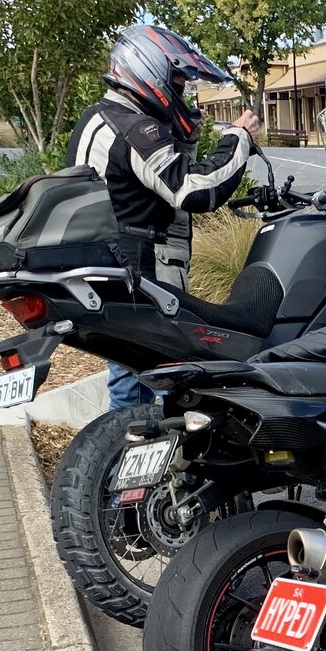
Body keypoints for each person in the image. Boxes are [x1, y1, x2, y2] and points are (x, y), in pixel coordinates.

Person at [70, 25, 260, 410]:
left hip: (109, 262)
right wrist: (238, 138)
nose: (183, 91)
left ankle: (122, 442)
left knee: (129, 378)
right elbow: (194, 190)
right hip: (137, 269)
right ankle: (140, 446)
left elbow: (145, 182)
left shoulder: (100, 117)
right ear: (149, 71)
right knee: (159, 381)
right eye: (178, 81)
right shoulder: (135, 128)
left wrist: (185, 138)